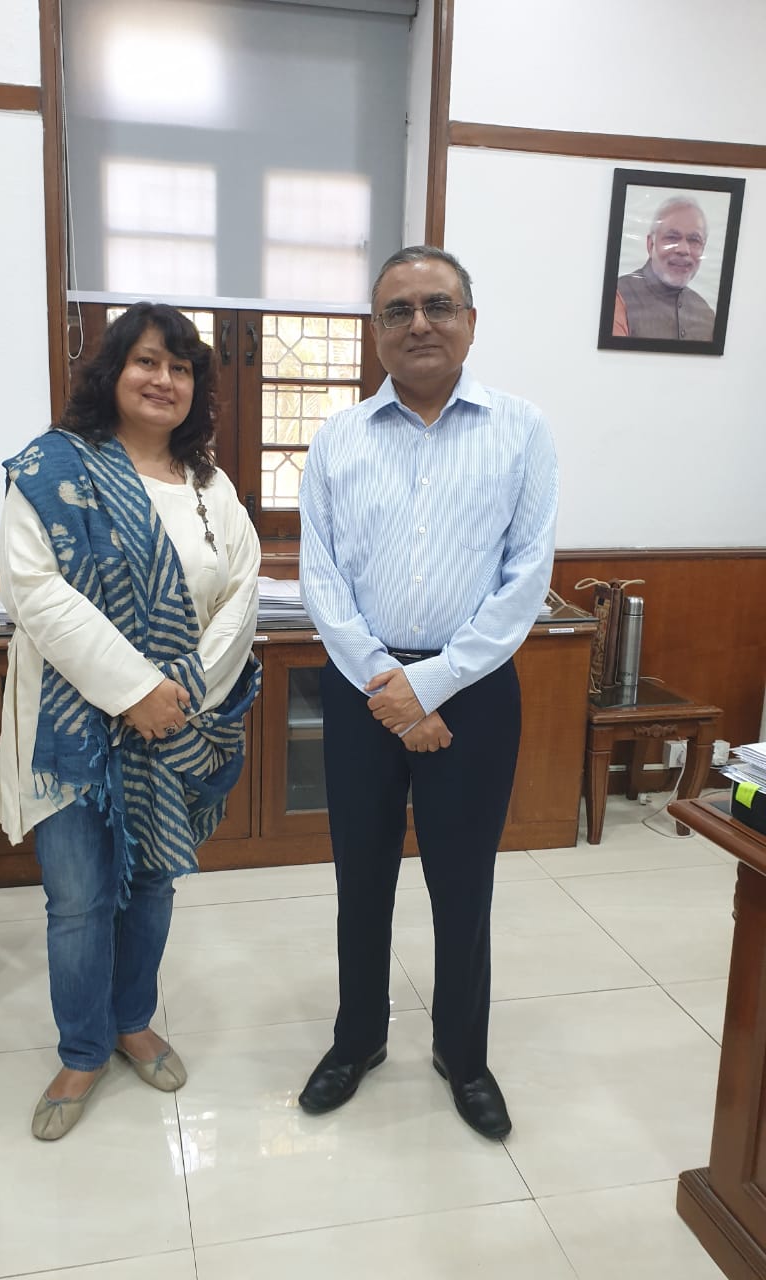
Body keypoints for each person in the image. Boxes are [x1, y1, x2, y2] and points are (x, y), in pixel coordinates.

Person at [297, 245, 558, 1139]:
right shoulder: (338, 438)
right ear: (375, 331)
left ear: (470, 322)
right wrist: (389, 684)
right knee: (361, 876)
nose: (419, 324)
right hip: (360, 689)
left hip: (474, 690)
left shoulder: (521, 429)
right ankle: (357, 1039)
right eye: (398, 310)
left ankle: (464, 1054)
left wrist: (432, 684)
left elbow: (525, 580)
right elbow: (321, 577)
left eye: (438, 306)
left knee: (463, 881)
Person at [0, 303, 261, 1141]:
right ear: (112, 371)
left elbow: (241, 595)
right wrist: (134, 690)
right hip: (74, 729)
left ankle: (132, 1019)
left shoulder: (211, 486)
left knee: (150, 881)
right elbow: (34, 594)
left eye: (181, 368)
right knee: (78, 899)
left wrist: (178, 696)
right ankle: (82, 1049)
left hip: (177, 723)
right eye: (147, 361)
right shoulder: (54, 469)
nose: (164, 380)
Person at [613, 196, 715, 340]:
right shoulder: (618, 296)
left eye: (694, 240)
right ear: (651, 245)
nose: (683, 249)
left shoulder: (706, 315)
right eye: (672, 237)